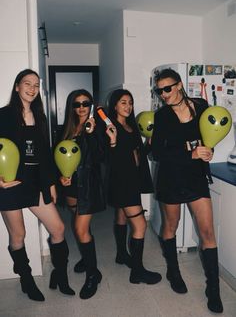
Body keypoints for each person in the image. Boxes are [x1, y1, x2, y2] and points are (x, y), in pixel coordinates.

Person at [151, 68, 223, 313]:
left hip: (195, 177)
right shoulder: (161, 116)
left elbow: (208, 136)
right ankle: (173, 271)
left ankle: (213, 289)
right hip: (170, 177)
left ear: (179, 85)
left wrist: (208, 150)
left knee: (207, 233)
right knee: (170, 226)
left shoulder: (201, 106)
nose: (164, 94)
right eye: (159, 90)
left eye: (167, 88)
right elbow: (157, 152)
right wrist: (189, 153)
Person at [0, 69, 75, 302]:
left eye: (36, 85)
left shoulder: (40, 116)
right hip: (11, 183)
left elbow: (44, 154)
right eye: (27, 83)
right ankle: (26, 279)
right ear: (16, 87)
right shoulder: (4, 115)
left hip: (36, 182)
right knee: (18, 235)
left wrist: (51, 182)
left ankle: (60, 276)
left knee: (59, 229)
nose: (32, 89)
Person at [59, 89, 114, 299]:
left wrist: (91, 133)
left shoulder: (96, 126)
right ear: (71, 107)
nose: (81, 107)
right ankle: (86, 255)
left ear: (91, 104)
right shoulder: (68, 128)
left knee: (80, 229)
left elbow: (101, 155)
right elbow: (62, 156)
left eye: (85, 103)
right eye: (77, 104)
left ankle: (93, 275)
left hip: (88, 183)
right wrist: (62, 177)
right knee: (79, 221)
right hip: (72, 184)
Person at [107, 89, 162, 285]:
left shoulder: (130, 126)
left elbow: (137, 154)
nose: (128, 106)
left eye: (130, 102)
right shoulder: (110, 127)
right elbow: (108, 157)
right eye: (123, 102)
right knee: (140, 224)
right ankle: (137, 271)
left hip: (132, 179)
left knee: (122, 215)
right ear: (114, 105)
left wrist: (149, 142)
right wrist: (112, 143)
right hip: (122, 181)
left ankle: (122, 254)